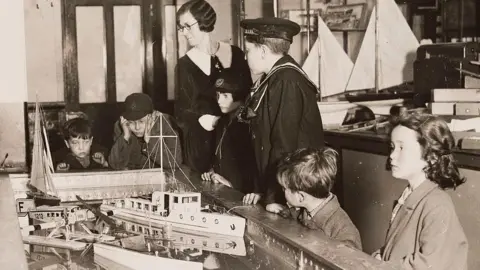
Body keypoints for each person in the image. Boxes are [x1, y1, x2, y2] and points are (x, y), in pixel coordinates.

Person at [239, 17, 324, 210]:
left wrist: (274, 198)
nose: (245, 57)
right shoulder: (274, 78)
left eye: (248, 51)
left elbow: (284, 146)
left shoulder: (286, 80)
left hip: (293, 193)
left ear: (262, 50)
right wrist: (261, 190)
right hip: (283, 189)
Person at [372, 113, 468, 269]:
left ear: (430, 156)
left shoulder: (437, 205)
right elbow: (400, 248)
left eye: (402, 147)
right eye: (392, 147)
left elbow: (430, 264)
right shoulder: (410, 194)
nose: (392, 155)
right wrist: (381, 255)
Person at [174, 0, 252, 173]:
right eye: (181, 27)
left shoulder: (235, 54)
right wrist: (208, 120)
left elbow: (248, 95)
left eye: (188, 26)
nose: (184, 33)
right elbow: (181, 113)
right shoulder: (184, 65)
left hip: (235, 140)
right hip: (203, 145)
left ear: (204, 21)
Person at [276, 148, 362, 250]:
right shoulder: (306, 209)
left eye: (284, 188)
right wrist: (281, 209)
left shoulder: (343, 232)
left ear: (301, 196)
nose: (282, 190)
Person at [200, 69, 257, 194]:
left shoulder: (248, 125)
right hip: (222, 188)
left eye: (225, 96)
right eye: (218, 95)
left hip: (240, 194)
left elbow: (252, 169)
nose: (219, 101)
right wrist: (212, 172)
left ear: (240, 97)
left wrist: (231, 184)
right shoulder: (222, 121)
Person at [109, 93, 183, 170]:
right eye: (131, 122)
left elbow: (175, 163)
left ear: (151, 117)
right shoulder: (122, 125)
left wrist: (150, 141)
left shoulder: (166, 123)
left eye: (141, 121)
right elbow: (115, 165)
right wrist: (125, 137)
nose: (137, 127)